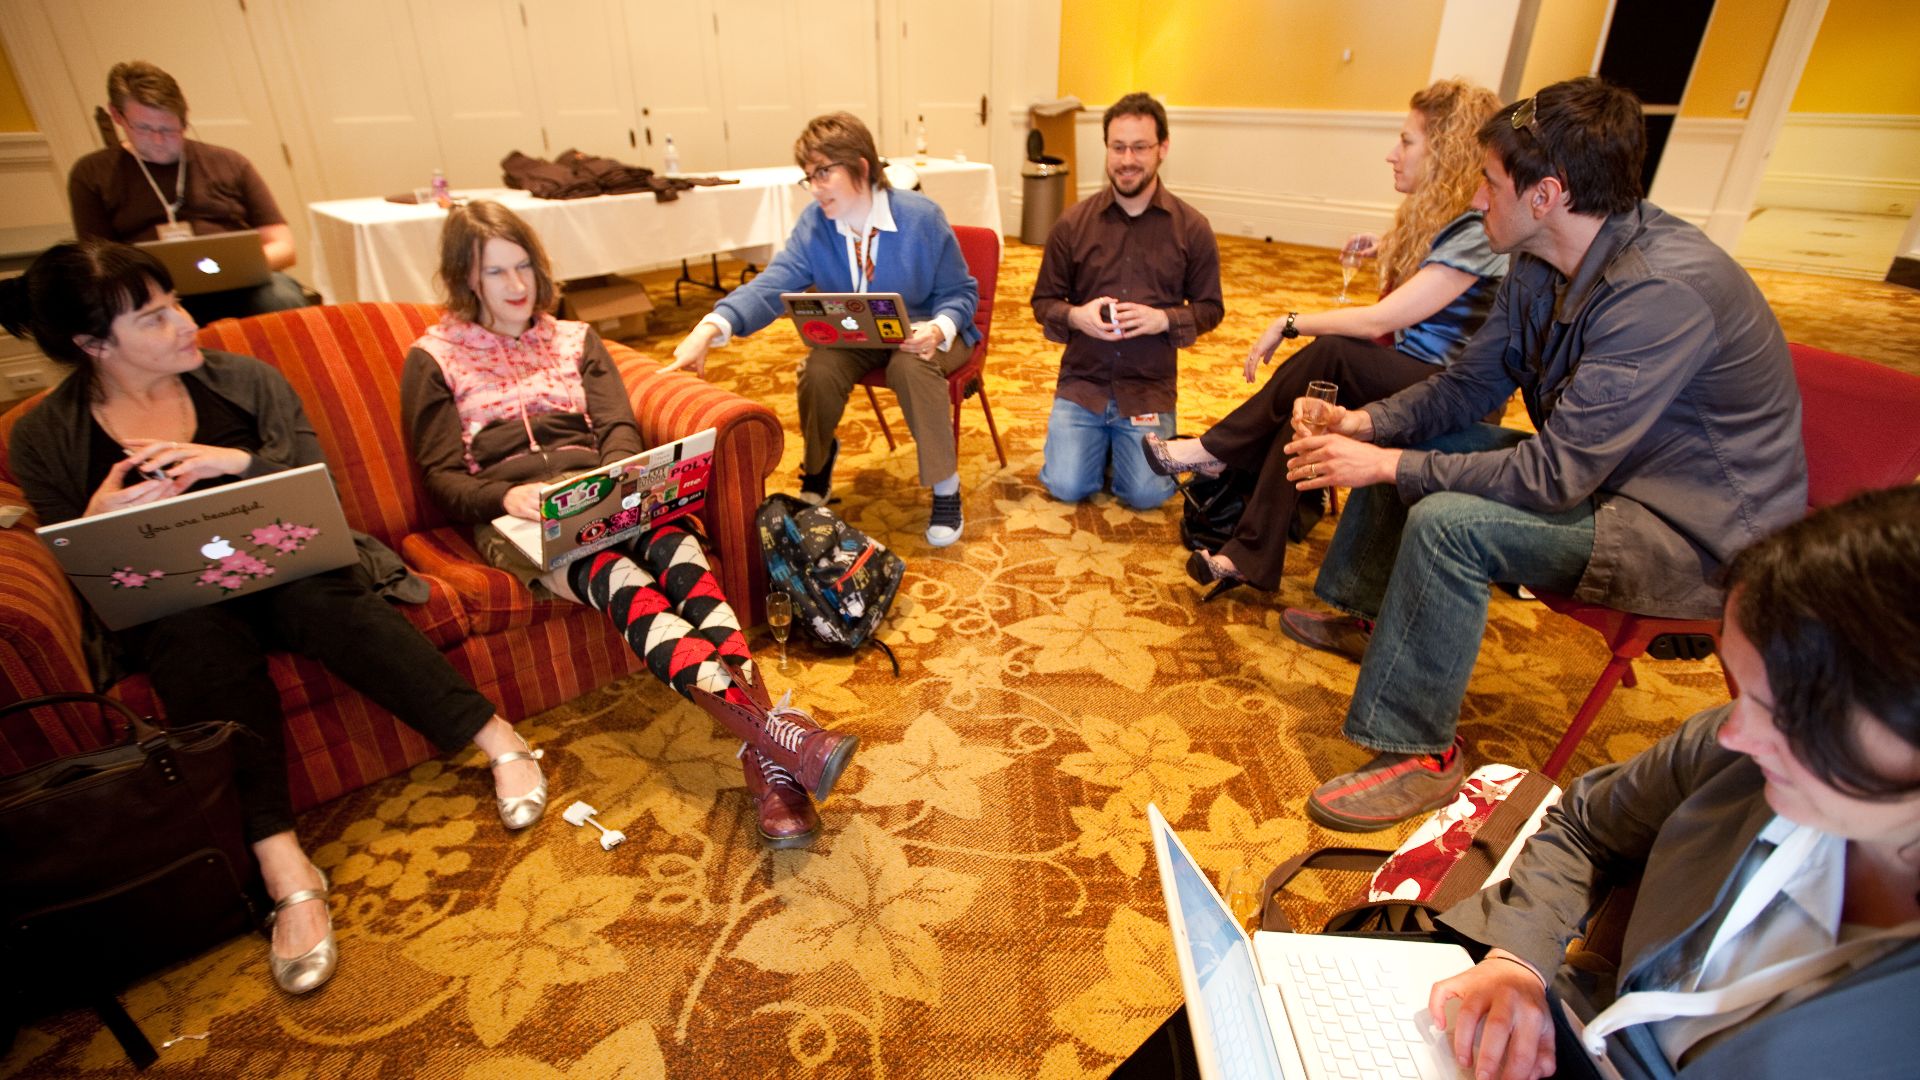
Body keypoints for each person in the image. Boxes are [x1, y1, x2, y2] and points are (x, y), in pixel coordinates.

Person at [1, 241, 546, 997]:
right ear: (93, 345)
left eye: (175, 302)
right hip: (177, 599)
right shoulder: (42, 436)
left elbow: (317, 485)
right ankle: (281, 859)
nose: (185, 323)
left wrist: (229, 465)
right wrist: (98, 517)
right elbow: (76, 563)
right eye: (154, 318)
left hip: (288, 565)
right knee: (199, 651)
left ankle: (495, 738)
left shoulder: (244, 380)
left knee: (331, 604)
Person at [1279, 77, 1806, 831]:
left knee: (1449, 521)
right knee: (1414, 439)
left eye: (1489, 180)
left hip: (1695, 533)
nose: (1475, 193)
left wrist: (1387, 466)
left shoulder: (1662, 292)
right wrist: (1366, 424)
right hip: (1610, 477)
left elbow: (1555, 475)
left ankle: (1419, 751)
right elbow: (1468, 386)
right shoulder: (1537, 254)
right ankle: (1376, 621)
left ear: (1546, 193)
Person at [402, 200, 857, 851]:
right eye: (496, 272)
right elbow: (442, 477)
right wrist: (513, 493)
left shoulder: (571, 338)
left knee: (686, 563)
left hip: (605, 494)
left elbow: (618, 424)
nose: (517, 286)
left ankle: (773, 756)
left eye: (523, 265)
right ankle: (783, 744)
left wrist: (613, 485)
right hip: (520, 520)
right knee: (627, 585)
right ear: (465, 278)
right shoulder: (435, 358)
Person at [1432, 486, 1920, 1080]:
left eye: (1786, 714)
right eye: (1739, 687)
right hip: (1579, 1032)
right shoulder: (1736, 752)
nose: (1735, 731)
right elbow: (1588, 823)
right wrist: (1518, 961)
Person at [1140, 79, 1506, 594]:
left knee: (1332, 352)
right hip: (1415, 376)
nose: (1391, 154)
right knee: (1310, 405)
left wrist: (1288, 323)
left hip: (1454, 394)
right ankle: (1247, 556)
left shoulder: (1481, 229)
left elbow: (1382, 320)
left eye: (1406, 141)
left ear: (1444, 149)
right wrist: (1386, 245)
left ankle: (1215, 449)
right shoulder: (1454, 222)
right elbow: (1435, 274)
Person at [667, 112, 980, 547]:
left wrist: (938, 329)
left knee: (909, 367)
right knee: (819, 368)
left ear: (862, 167)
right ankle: (818, 464)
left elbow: (960, 293)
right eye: (808, 176)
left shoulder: (921, 218)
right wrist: (710, 327)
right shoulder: (816, 225)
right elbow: (773, 283)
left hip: (930, 332)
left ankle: (946, 486)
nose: (814, 187)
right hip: (860, 334)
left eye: (823, 172)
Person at [1030, 92, 1224, 510]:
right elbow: (1043, 301)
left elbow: (1211, 307)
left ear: (1162, 149)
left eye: (1140, 147)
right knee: (1066, 486)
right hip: (1084, 384)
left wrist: (1164, 320)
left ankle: (1120, 449)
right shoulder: (1072, 224)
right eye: (1118, 147)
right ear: (1106, 150)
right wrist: (1076, 316)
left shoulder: (1192, 228)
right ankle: (1099, 450)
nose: (1127, 159)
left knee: (1146, 495)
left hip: (1147, 389)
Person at [67, 61, 309, 324]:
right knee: (137, 323)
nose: (159, 140)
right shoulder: (93, 173)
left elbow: (284, 247)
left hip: (242, 285)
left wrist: (236, 268)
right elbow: (98, 264)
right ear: (117, 116)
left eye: (170, 129)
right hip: (151, 295)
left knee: (281, 298)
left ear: (185, 119)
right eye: (145, 128)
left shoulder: (229, 163)